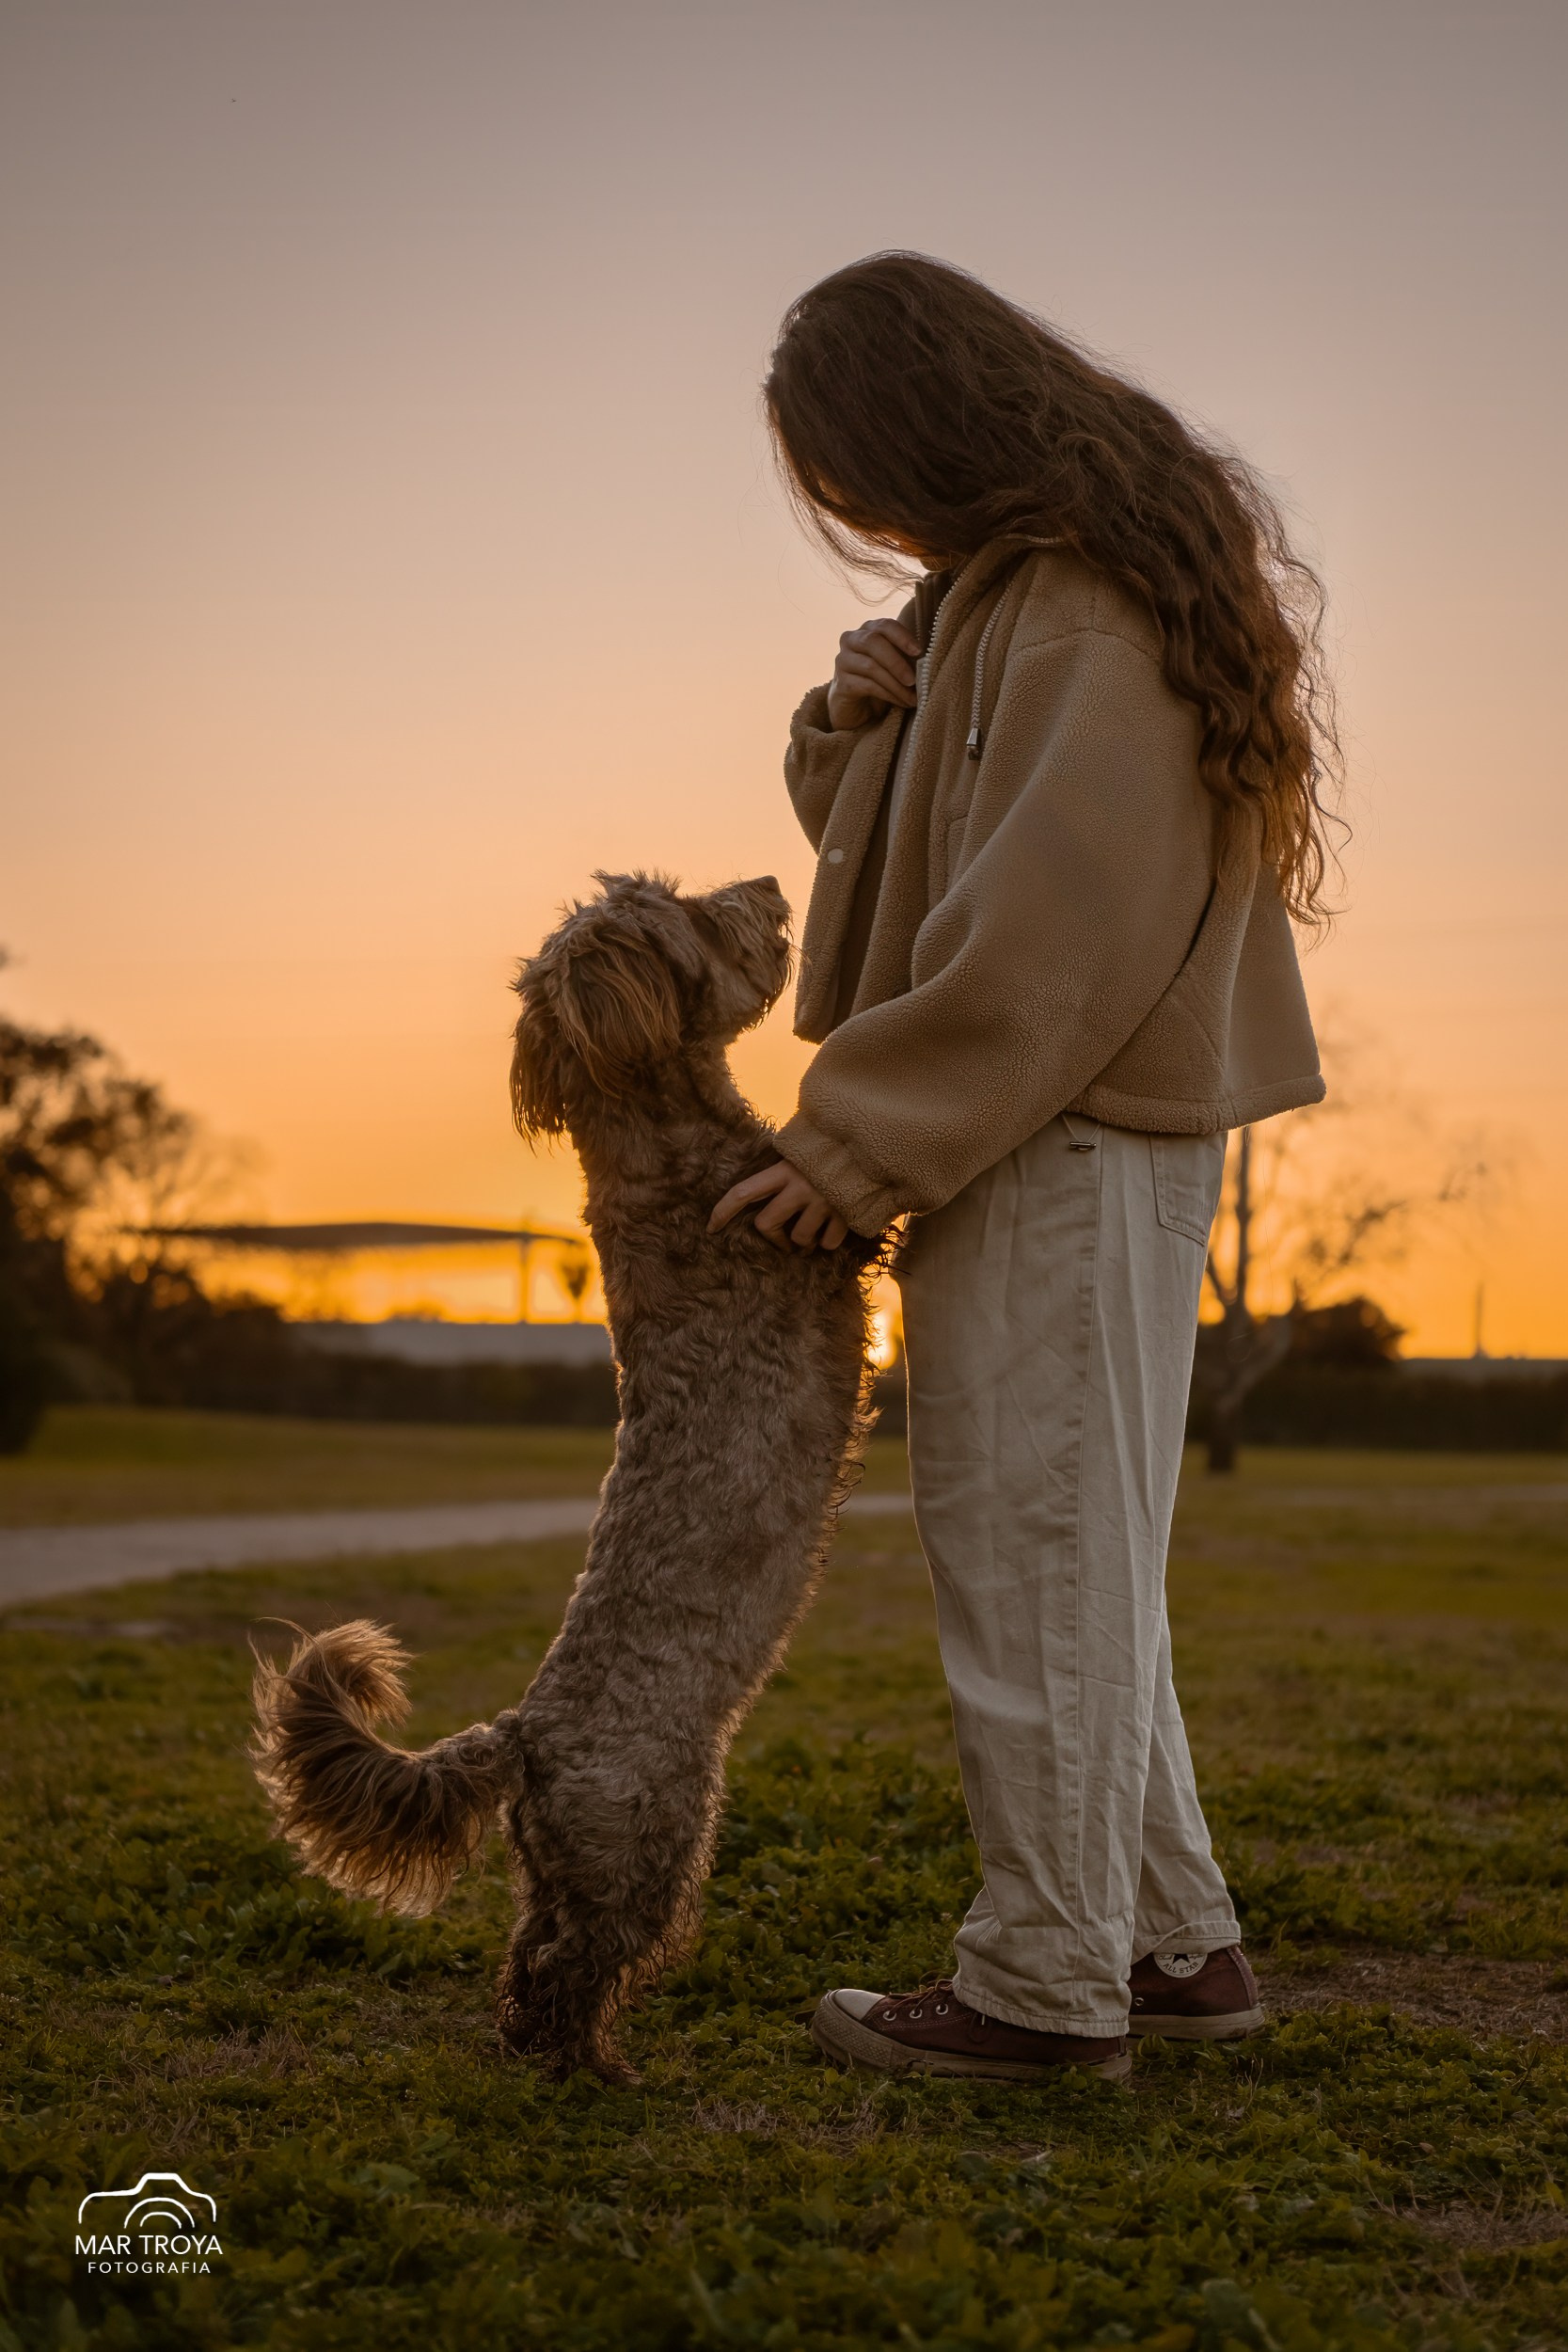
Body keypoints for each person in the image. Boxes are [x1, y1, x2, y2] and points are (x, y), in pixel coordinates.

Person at [710, 253, 1335, 2083]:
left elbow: (1048, 924)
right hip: (1054, 1127)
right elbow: (921, 863)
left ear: (919, 423)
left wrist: (853, 1144)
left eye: (856, 469)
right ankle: (1174, 1940)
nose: (862, 515)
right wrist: (863, 717)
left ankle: (1046, 1986)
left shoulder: (1068, 600)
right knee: (1079, 1559)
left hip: (1049, 1131)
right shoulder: (1024, 594)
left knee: (1036, 1555)